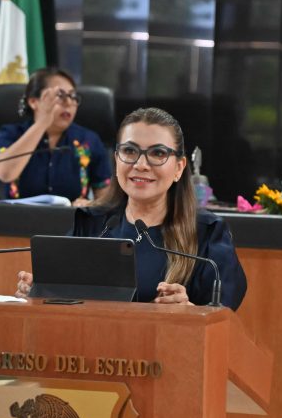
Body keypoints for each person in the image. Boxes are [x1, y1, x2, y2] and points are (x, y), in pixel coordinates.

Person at [15, 107, 247, 310]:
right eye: (129, 151)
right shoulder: (92, 224)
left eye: (158, 153)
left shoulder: (208, 234)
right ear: (116, 159)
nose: (141, 164)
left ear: (179, 167)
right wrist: (39, 291)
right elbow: (61, 301)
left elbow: (222, 320)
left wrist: (190, 311)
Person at [0, 67, 111, 206]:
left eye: (73, 96)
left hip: (71, 218)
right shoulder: (11, 133)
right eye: (60, 95)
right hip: (18, 218)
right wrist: (42, 123)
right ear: (33, 102)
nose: (69, 102)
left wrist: (90, 205)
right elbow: (5, 174)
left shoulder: (88, 140)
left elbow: (107, 201)